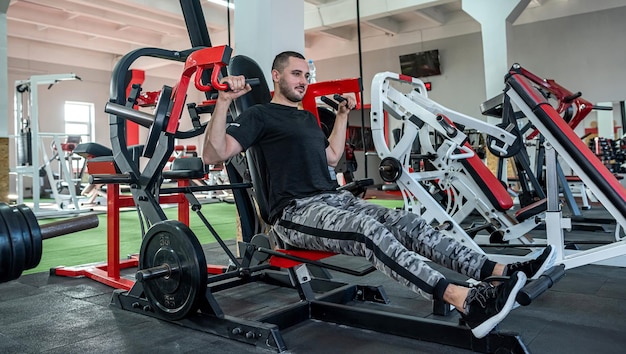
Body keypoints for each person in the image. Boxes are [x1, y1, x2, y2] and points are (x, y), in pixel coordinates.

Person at [202, 51, 556, 339]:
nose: (303, 81)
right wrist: (223, 100)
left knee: (408, 221)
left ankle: (496, 270)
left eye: (306, 76)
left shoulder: (307, 119)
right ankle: (463, 299)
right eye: (296, 74)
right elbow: (213, 155)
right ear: (276, 77)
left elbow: (331, 157)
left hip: (333, 199)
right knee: (367, 233)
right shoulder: (259, 116)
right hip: (295, 214)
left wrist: (341, 116)